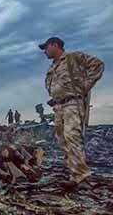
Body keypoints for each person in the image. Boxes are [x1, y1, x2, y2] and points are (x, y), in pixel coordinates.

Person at [39, 37, 104, 191]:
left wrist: (84, 87)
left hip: (72, 104)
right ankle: (74, 175)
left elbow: (98, 65)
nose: (44, 51)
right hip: (59, 106)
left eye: (46, 47)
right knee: (63, 141)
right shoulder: (53, 66)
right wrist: (55, 98)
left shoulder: (72, 57)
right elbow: (58, 86)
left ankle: (83, 176)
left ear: (55, 45)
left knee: (72, 137)